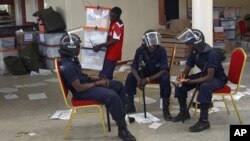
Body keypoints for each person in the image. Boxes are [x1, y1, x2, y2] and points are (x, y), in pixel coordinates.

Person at [58, 33, 136, 141]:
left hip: (86, 86)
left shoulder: (71, 59)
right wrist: (98, 83)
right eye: (77, 46)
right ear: (70, 48)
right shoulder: (68, 66)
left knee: (117, 85)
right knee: (111, 96)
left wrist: (98, 79)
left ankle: (122, 117)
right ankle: (122, 129)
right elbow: (79, 88)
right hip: (82, 93)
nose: (79, 48)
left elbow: (82, 77)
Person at [172, 28, 228, 132]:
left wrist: (191, 81)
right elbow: (187, 70)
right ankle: (184, 112)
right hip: (205, 74)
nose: (187, 46)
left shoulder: (211, 54)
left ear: (196, 43)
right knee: (181, 85)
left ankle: (204, 121)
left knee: (204, 87)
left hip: (218, 78)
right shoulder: (194, 53)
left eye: (189, 44)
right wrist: (181, 78)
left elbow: (209, 77)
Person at [125, 30, 172, 121]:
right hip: (145, 72)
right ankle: (130, 105)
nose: (152, 46)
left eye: (154, 44)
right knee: (131, 77)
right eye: (150, 44)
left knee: (165, 79)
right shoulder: (140, 50)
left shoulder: (161, 50)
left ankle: (166, 109)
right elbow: (133, 67)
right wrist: (138, 79)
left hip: (158, 74)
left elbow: (163, 70)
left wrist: (148, 79)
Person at [93, 6, 124, 80]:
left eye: (114, 17)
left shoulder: (118, 24)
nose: (111, 18)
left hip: (113, 54)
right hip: (108, 52)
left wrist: (100, 45)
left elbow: (115, 40)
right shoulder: (112, 23)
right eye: (111, 15)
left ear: (118, 16)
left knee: (105, 75)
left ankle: (107, 90)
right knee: (105, 74)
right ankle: (109, 89)